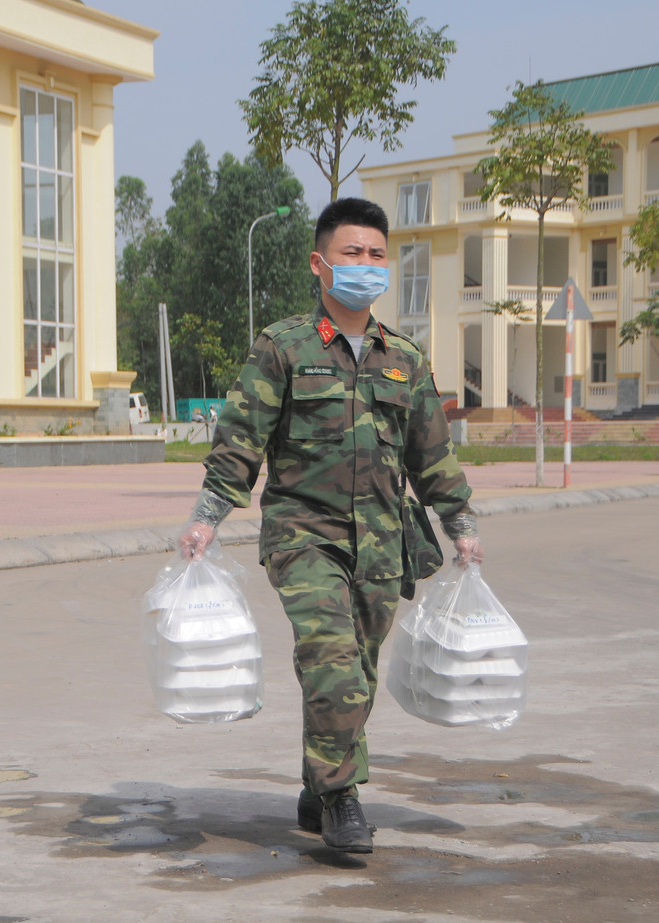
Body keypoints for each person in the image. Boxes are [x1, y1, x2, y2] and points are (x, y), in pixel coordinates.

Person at [178, 198, 482, 854]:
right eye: (352, 253)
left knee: (360, 671)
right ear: (321, 264)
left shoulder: (404, 358)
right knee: (333, 661)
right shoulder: (283, 346)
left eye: (376, 255)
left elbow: (431, 454)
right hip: (302, 533)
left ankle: (318, 786)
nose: (365, 265)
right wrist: (208, 517)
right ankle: (344, 794)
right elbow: (241, 440)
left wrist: (459, 522)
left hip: (382, 540)